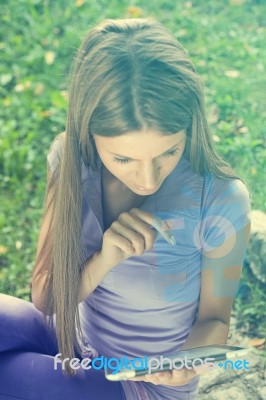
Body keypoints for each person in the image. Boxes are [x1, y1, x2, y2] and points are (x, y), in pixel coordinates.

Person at [0, 17, 251, 400]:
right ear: (88, 130)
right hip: (71, 340)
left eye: (169, 152)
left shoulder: (220, 201)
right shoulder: (71, 159)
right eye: (123, 159)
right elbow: (47, 300)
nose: (148, 180)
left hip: (139, 385)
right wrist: (105, 259)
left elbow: (215, 320)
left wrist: (184, 363)